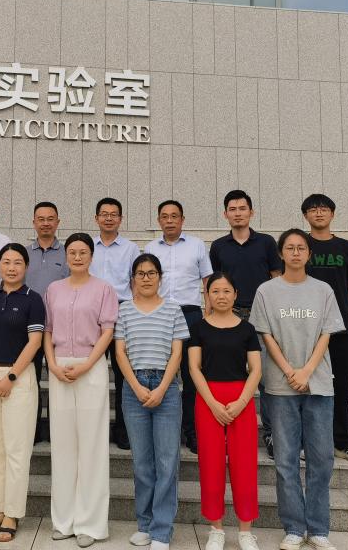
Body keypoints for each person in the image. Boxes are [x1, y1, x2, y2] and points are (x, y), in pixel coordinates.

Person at [250, 230, 345, 550]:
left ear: (308, 254)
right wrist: (290, 371)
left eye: (300, 248)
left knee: (321, 459)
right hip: (280, 386)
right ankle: (293, 527)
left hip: (318, 385)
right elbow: (266, 336)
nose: (295, 252)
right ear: (280, 253)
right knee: (285, 460)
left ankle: (318, 528)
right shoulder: (267, 291)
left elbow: (326, 334)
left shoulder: (323, 290)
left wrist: (306, 371)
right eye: (289, 248)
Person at [43, 232, 118, 547]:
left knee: (92, 446)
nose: (77, 257)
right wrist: (52, 364)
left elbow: (108, 331)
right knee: (63, 446)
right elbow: (47, 330)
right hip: (59, 368)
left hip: (91, 367)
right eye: (72, 252)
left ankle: (91, 523)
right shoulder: (53, 289)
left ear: (91, 256)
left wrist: (87, 364)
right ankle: (63, 520)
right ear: (66, 256)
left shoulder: (104, 289)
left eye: (83, 252)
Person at [0, 242, 46, 543]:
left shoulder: (33, 299)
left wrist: (11, 376)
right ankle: (0, 508)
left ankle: (13, 514)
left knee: (17, 450)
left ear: (26, 267)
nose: (11, 267)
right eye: (6, 261)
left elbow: (35, 342)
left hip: (19, 379)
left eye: (17, 262)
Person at [115, 253, 190, 550]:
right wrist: (136, 387)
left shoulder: (173, 309)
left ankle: (161, 530)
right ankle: (145, 524)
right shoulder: (124, 310)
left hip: (166, 388)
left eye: (151, 273)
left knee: (167, 461)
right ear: (133, 279)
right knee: (142, 462)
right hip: (133, 387)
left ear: (160, 277)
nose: (146, 278)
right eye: (140, 273)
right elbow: (119, 352)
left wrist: (161, 388)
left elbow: (177, 353)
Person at [188, 273, 262, 550]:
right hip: (208, 399)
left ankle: (245, 531)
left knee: (245, 465)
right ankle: (216, 529)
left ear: (235, 294)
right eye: (215, 291)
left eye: (226, 291)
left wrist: (242, 402)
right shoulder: (199, 328)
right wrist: (212, 403)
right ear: (207, 295)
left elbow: (256, 369)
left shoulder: (247, 329)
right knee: (211, 464)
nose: (221, 296)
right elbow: (194, 368)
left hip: (241, 399)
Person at [208, 190, 282, 456]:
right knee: (230, 375)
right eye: (232, 209)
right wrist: (209, 315)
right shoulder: (219, 246)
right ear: (225, 214)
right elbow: (213, 285)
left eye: (242, 208)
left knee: (266, 378)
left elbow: (277, 278)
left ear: (251, 212)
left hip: (261, 316)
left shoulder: (266, 243)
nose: (238, 213)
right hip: (230, 316)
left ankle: (272, 434)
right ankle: (229, 432)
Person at [302, 193, 348, 465]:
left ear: (332, 213)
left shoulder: (347, 248)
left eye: (324, 209)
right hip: (306, 328)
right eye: (313, 209)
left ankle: (344, 443)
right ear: (305, 215)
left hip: (341, 328)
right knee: (306, 386)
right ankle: (309, 442)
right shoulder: (299, 245)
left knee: (341, 386)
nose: (319, 213)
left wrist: (333, 308)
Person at [143, 200, 212, 454]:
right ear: (159, 220)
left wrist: (208, 314)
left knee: (191, 374)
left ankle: (192, 432)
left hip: (190, 314)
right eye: (165, 216)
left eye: (174, 216)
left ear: (182, 219)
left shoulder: (197, 245)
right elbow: (143, 282)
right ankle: (164, 431)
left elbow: (207, 281)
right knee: (162, 373)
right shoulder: (150, 248)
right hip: (159, 315)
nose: (169, 220)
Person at [90, 197, 140, 450]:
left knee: (124, 375)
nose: (108, 218)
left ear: (121, 219)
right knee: (92, 373)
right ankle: (94, 431)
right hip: (91, 314)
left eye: (113, 214)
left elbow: (135, 282)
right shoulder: (87, 246)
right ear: (96, 218)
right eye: (104, 214)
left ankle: (124, 431)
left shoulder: (131, 249)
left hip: (122, 312)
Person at [26, 200, 69, 444]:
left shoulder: (68, 253)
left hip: (58, 327)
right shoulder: (24, 253)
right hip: (28, 327)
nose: (45, 223)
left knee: (57, 379)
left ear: (58, 222)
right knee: (30, 380)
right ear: (33, 222)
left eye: (50, 219)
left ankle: (56, 432)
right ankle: (31, 430)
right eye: (40, 219)